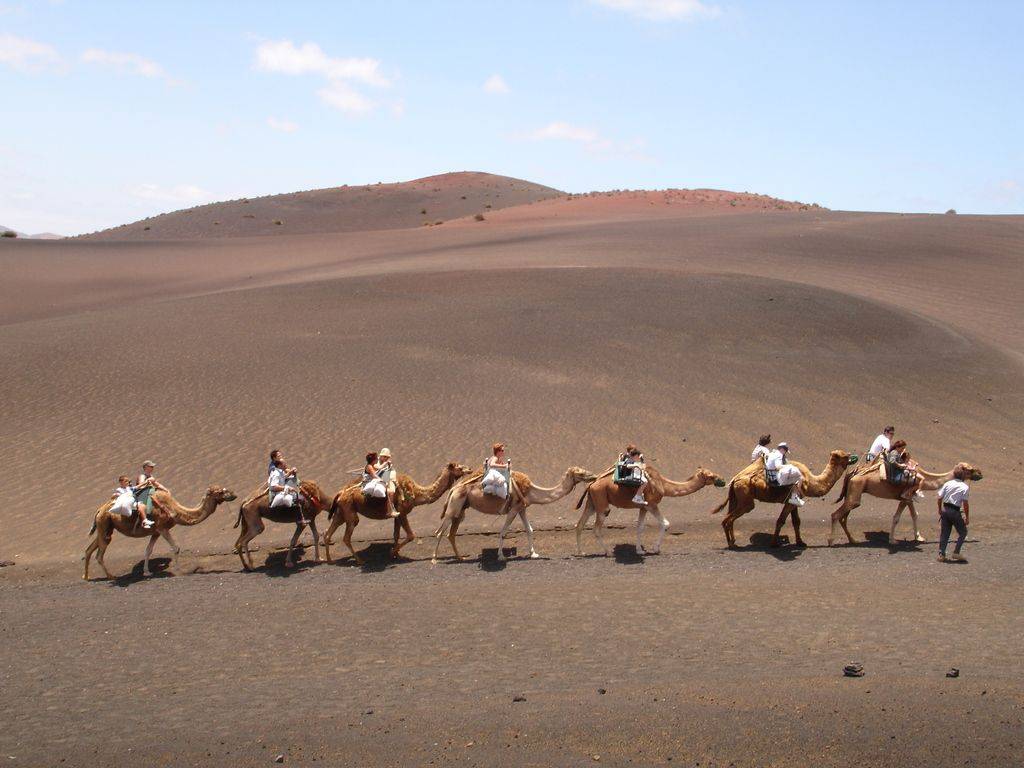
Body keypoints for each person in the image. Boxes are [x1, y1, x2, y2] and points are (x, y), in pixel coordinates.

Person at [937, 467, 971, 562]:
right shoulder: (964, 487)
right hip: (955, 511)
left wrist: (940, 510)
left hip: (945, 510)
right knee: (963, 532)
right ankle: (956, 552)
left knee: (944, 533)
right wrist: (967, 517)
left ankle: (941, 554)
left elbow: (939, 498)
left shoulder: (947, 484)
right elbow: (965, 504)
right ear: (963, 476)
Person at [268, 453, 305, 523]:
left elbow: (284, 477)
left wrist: (291, 472)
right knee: (297, 498)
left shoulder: (280, 471)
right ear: (279, 465)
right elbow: (274, 486)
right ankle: (297, 518)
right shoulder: (276, 473)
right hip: (278, 493)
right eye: (283, 464)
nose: (285, 465)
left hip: (282, 490)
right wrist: (286, 488)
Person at [765, 442, 804, 506]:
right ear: (783, 449)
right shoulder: (779, 455)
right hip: (775, 478)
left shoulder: (772, 453)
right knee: (799, 478)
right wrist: (788, 466)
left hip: (770, 475)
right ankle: (795, 497)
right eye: (785, 451)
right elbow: (778, 466)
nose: (785, 453)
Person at [362, 450, 398, 517]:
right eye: (376, 458)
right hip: (370, 482)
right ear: (374, 460)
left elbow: (380, 468)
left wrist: (387, 464)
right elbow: (374, 476)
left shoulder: (372, 465)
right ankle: (390, 511)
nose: (377, 459)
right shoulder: (369, 467)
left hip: (374, 480)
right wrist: (382, 480)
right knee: (390, 492)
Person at [374, 448, 399, 515]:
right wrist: (385, 464)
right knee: (390, 492)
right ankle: (389, 511)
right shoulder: (376, 461)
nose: (386, 458)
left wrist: (389, 466)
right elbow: (378, 469)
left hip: (385, 478)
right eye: (384, 456)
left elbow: (390, 471)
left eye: (387, 457)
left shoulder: (387, 463)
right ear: (381, 456)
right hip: (376, 478)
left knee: (394, 488)